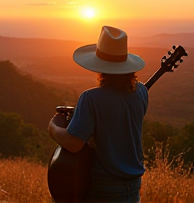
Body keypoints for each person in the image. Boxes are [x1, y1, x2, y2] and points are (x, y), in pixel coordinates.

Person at [48, 26, 148, 203]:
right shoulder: (141, 92)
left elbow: (73, 143)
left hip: (104, 189)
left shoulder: (91, 98)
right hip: (133, 188)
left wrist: (53, 128)